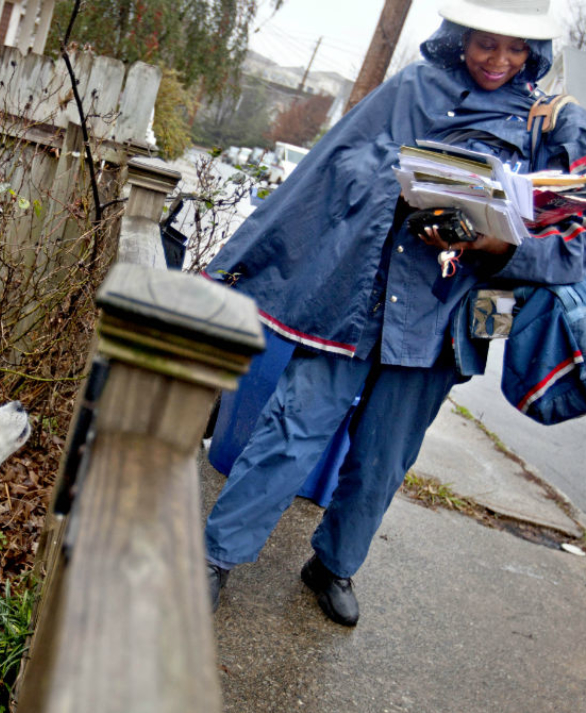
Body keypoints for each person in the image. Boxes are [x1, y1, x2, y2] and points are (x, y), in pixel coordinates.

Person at [203, 0, 586, 626]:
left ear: (535, 52)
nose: (499, 60)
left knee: (384, 456)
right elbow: (331, 167)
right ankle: (215, 556)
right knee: (290, 432)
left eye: (515, 48)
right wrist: (399, 185)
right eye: (486, 44)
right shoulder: (409, 87)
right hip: (353, 302)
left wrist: (488, 239)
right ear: (460, 36)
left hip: (441, 319)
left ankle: (332, 564)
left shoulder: (550, 124)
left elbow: (572, 248)